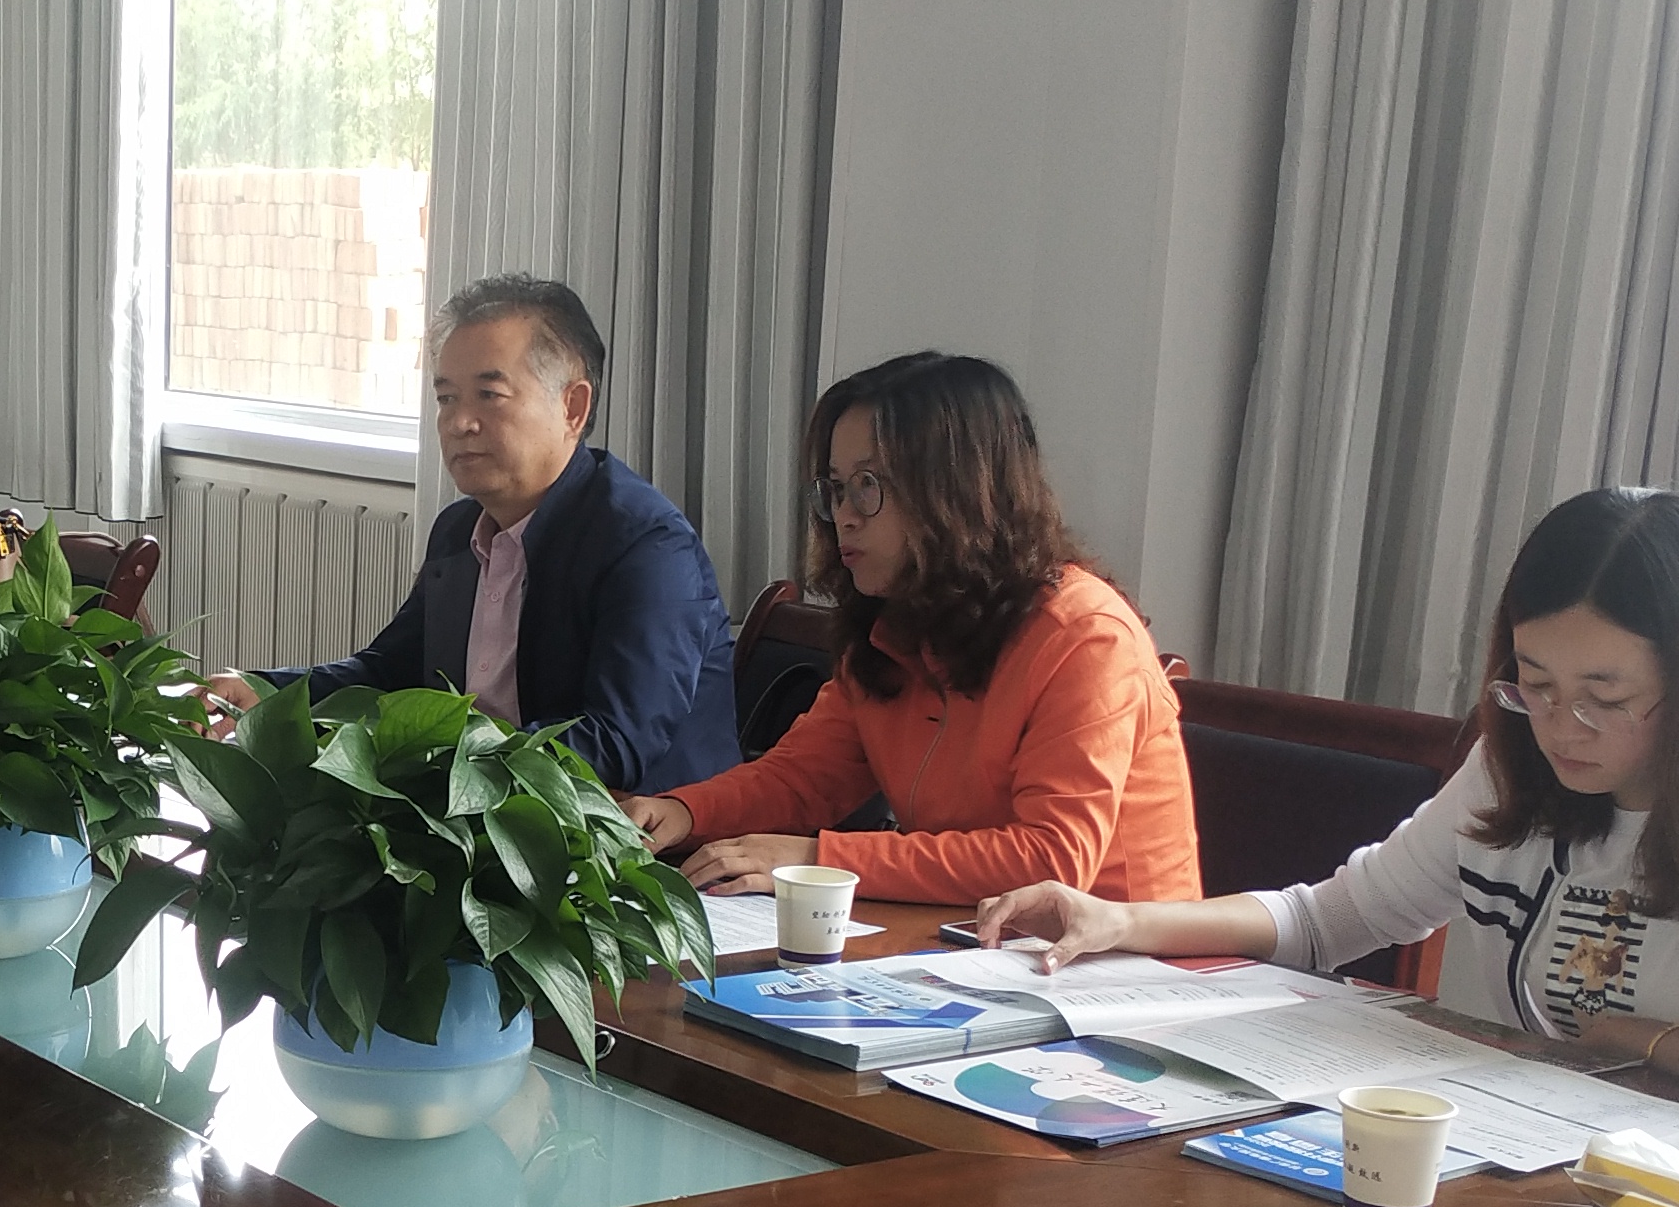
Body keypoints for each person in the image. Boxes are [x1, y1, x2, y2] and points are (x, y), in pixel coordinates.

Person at [972, 486, 1679, 1141]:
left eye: (1605, 696)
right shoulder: (1520, 754)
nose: (1561, 725)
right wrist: (1123, 922)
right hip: (1590, 1169)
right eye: (1536, 681)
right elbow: (1329, 919)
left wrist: (1623, 1037)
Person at [625, 353, 1196, 903]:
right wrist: (683, 811)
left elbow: (1052, 859)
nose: (844, 515)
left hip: (1119, 956)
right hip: (972, 939)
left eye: (868, 485)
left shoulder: (1085, 634)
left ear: (957, 491)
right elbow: (804, 777)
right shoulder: (895, 622)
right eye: (835, 489)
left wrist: (821, 860)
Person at [204, 275, 739, 790]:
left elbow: (616, 746)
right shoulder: (459, 529)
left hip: (633, 837)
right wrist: (266, 691)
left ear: (572, 407)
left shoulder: (645, 546)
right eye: (446, 398)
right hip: (472, 813)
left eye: (489, 395)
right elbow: (391, 672)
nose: (459, 422)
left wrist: (438, 767)